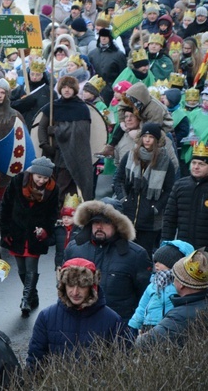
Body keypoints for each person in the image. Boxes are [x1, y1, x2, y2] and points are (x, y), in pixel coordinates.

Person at [26, 258, 128, 368]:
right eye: (70, 285)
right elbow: (35, 360)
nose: (75, 292)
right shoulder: (47, 317)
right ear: (63, 286)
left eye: (82, 286)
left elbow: (123, 362)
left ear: (92, 287)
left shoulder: (112, 320)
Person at [65, 200, 152, 320]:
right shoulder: (74, 249)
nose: (99, 226)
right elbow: (63, 287)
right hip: (80, 320)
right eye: (95, 222)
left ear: (117, 225)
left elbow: (145, 296)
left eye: (105, 222)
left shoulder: (136, 255)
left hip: (119, 325)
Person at [1, 157, 60, 317]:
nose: (41, 181)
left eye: (45, 178)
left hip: (35, 234)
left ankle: (25, 300)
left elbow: (53, 213)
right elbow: (5, 206)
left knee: (31, 267)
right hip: (16, 231)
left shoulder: (53, 189)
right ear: (32, 173)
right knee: (21, 269)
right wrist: (5, 231)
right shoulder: (17, 182)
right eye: (39, 177)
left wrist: (46, 230)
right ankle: (33, 294)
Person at [113, 123, 176, 256]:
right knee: (123, 254)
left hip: (150, 220)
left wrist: (156, 207)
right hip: (127, 215)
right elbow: (118, 180)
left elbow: (169, 190)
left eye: (151, 137)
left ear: (157, 140)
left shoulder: (165, 161)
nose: (147, 140)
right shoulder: (130, 156)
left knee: (144, 256)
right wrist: (123, 199)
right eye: (145, 136)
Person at [37, 75, 93, 202]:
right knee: (51, 189)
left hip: (72, 156)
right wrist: (44, 144)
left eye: (70, 87)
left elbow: (80, 133)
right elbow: (42, 127)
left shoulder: (81, 108)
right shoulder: (53, 107)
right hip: (53, 154)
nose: (67, 90)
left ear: (75, 90)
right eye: (64, 87)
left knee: (64, 189)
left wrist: (56, 130)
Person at [136, 248, 208, 345]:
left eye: (175, 277)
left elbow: (144, 344)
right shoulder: (202, 304)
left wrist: (140, 338)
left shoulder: (180, 316)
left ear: (182, 284)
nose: (173, 281)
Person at [129, 240, 194, 335]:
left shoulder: (180, 286)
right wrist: (134, 324)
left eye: (161, 261)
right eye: (155, 261)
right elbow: (142, 307)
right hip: (149, 326)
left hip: (171, 327)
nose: (156, 264)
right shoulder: (152, 284)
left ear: (173, 263)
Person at [162, 142, 208, 249]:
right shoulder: (180, 185)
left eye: (201, 164)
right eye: (194, 162)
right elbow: (169, 219)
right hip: (183, 248)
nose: (196, 167)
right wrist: (165, 243)